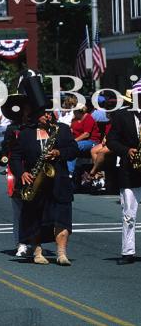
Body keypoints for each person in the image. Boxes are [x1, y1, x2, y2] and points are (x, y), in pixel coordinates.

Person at [10, 109, 78, 266]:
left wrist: (58, 152)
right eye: (43, 113)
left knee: (62, 217)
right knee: (35, 217)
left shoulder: (62, 129)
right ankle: (37, 251)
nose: (48, 116)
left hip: (59, 181)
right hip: (36, 182)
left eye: (49, 112)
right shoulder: (26, 133)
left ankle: (61, 253)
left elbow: (73, 150)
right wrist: (22, 173)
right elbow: (15, 157)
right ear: (35, 116)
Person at [106, 90, 141, 264]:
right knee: (129, 214)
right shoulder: (122, 116)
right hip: (130, 170)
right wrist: (127, 151)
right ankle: (128, 252)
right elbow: (111, 140)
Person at [67, 106, 101, 177]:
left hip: (92, 141)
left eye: (74, 111)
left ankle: (70, 172)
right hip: (79, 141)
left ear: (79, 112)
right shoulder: (74, 119)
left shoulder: (88, 118)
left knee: (74, 146)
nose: (73, 113)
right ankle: (68, 171)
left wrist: (73, 141)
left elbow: (86, 134)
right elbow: (72, 130)